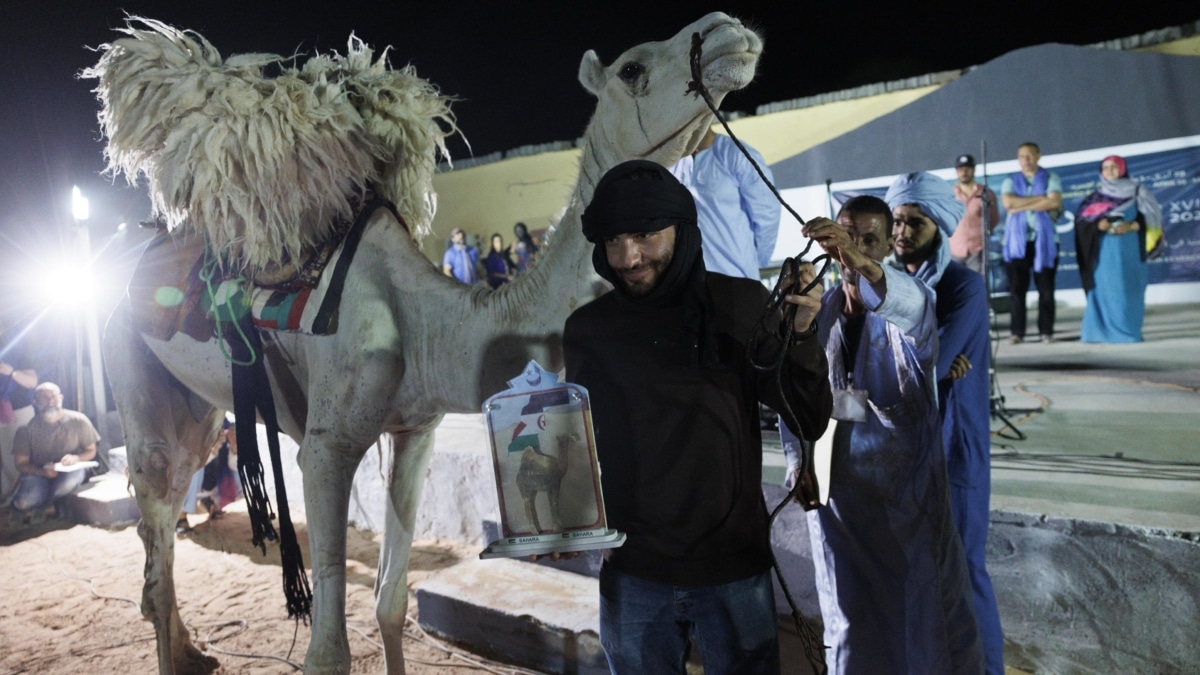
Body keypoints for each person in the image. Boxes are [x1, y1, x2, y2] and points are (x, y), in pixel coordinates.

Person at [564, 159, 832, 673]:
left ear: (681, 230)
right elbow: (578, 446)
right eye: (613, 240)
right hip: (632, 572)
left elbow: (808, 416)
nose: (627, 257)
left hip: (733, 569)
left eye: (644, 235)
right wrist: (557, 521)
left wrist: (800, 332)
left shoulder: (741, 302)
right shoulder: (588, 329)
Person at [798, 195, 983, 674]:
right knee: (850, 624)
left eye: (867, 240)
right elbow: (817, 399)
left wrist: (859, 263)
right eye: (843, 237)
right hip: (841, 506)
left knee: (917, 626)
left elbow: (913, 310)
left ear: (884, 248)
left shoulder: (912, 307)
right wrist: (803, 466)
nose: (851, 250)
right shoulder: (824, 313)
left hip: (907, 508)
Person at [886, 173, 1005, 675]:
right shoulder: (885, 284)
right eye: (896, 220)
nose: (902, 232)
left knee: (962, 569)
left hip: (955, 444)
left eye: (915, 222)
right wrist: (927, 364)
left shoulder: (963, 286)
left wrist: (928, 366)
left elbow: (927, 371)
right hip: (901, 445)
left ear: (941, 227)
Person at [669, 127, 780, 280]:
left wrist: (754, 263)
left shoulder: (735, 154)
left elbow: (768, 214)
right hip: (689, 285)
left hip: (737, 280)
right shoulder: (672, 162)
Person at [1075, 155, 1161, 344]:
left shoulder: (1139, 191)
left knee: (1128, 289)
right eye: (1105, 168)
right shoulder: (1094, 198)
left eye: (1114, 166)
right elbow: (1082, 224)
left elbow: (1152, 220)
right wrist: (1099, 225)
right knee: (1104, 290)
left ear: (1122, 168)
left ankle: (1127, 333)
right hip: (1103, 255)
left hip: (1129, 250)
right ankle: (1097, 332)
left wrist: (1132, 226)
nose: (1110, 171)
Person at [10, 383, 100, 521]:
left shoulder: (79, 420)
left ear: (61, 397)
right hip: (38, 473)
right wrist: (42, 472)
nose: (51, 401)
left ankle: (44, 508)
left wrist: (76, 458)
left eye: (54, 396)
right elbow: (20, 463)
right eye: (44, 397)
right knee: (25, 501)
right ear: (34, 401)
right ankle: (45, 508)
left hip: (69, 471)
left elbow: (91, 451)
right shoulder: (26, 429)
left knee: (69, 481)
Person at [1001, 142, 1062, 344]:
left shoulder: (1051, 178)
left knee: (1046, 290)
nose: (1025, 160)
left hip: (1044, 242)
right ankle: (1017, 332)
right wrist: (1040, 200)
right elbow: (1008, 203)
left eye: (1029, 155)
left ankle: (1046, 332)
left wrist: (1021, 203)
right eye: (1021, 156)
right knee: (1017, 291)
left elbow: (1054, 202)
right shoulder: (1009, 181)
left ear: (1038, 156)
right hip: (1017, 244)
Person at [1, 332, 39, 505]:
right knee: (7, 460)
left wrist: (11, 372)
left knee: (25, 455)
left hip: (19, 410)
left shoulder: (18, 351)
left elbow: (32, 382)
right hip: (2, 414)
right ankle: (9, 500)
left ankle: (30, 497)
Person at [949, 154, 1000, 276]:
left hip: (978, 251)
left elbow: (993, 219)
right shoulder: (948, 195)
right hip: (954, 251)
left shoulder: (986, 193)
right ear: (956, 172)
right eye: (960, 169)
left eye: (967, 168)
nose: (964, 172)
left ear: (974, 169)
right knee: (955, 289)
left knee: (978, 287)